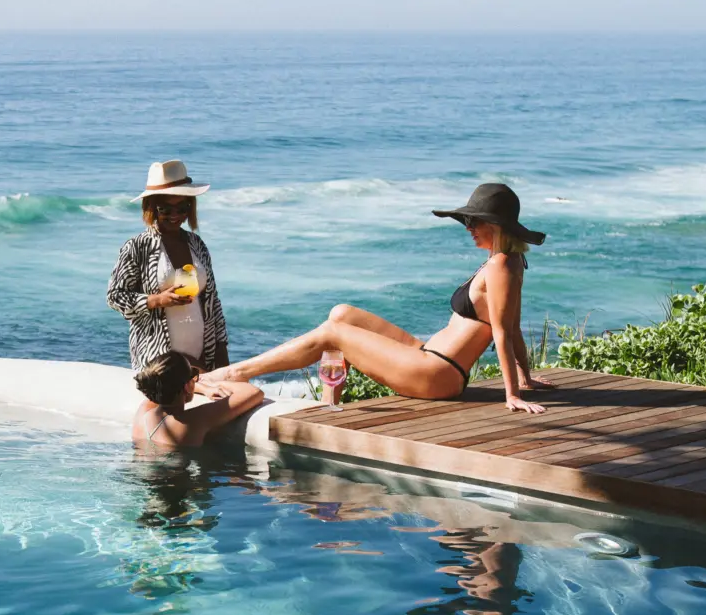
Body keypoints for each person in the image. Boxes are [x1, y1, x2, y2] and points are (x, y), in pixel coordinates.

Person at [201, 183, 555, 414]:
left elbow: (504, 332)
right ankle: (330, 403)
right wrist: (524, 376)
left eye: (474, 222)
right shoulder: (502, 262)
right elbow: (512, 325)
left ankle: (234, 372)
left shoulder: (502, 266)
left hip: (438, 374)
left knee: (332, 333)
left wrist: (513, 394)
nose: (468, 228)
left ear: (495, 225)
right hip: (428, 357)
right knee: (343, 314)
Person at [107, 160, 230, 372]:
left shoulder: (196, 244)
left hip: (203, 355)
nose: (175, 215)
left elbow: (213, 301)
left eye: (182, 207)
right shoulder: (138, 247)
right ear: (151, 208)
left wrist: (221, 349)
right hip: (158, 358)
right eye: (166, 208)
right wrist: (155, 300)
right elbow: (115, 296)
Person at [131, 351, 265, 449]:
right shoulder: (192, 421)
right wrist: (215, 384)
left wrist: (203, 388)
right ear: (188, 386)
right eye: (195, 377)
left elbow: (166, 384)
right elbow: (253, 392)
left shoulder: (142, 413)